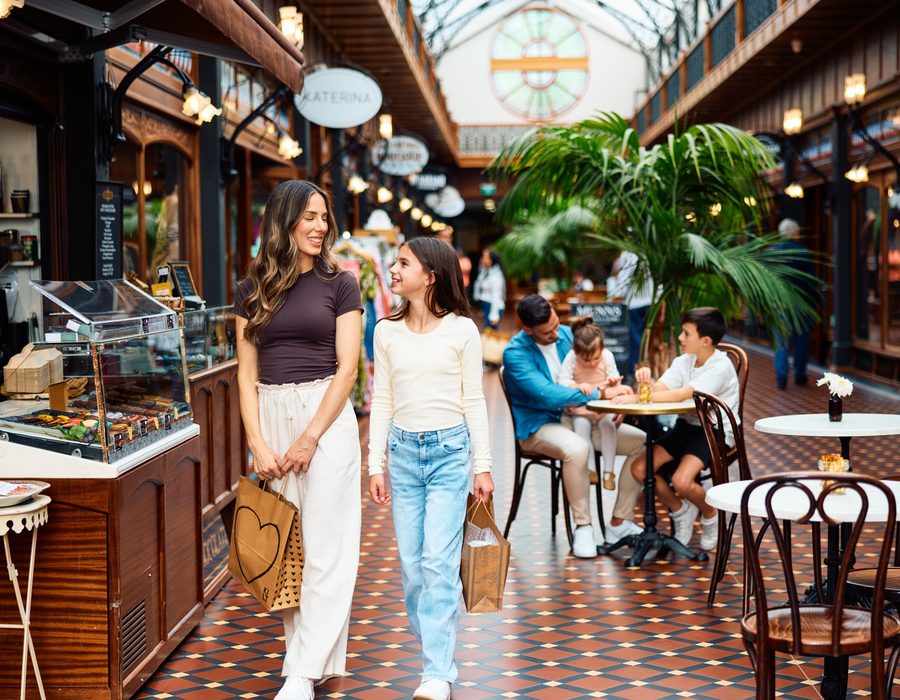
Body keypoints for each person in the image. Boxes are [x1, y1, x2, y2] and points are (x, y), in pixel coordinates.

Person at [234, 180, 363, 700]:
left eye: (324, 217)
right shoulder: (251, 289)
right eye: (309, 216)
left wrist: (310, 436)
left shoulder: (342, 283)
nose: (319, 226)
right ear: (284, 220)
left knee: (328, 548)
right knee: (290, 548)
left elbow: (349, 369)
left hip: (325, 417)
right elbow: (245, 376)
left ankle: (301, 671)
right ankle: (310, 661)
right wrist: (258, 443)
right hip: (270, 413)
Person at [367, 237, 494, 700]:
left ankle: (436, 671)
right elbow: (382, 397)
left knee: (438, 564)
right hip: (401, 456)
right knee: (411, 569)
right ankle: (439, 654)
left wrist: (482, 465)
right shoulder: (385, 331)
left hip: (448, 453)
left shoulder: (462, 330)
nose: (394, 270)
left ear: (430, 275)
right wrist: (375, 462)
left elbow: (474, 399)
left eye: (403, 263)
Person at [502, 295, 646, 558]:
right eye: (548, 332)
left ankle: (618, 522)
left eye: (557, 325)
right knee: (577, 449)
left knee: (643, 443)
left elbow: (603, 370)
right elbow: (548, 395)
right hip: (541, 425)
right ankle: (584, 527)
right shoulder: (515, 354)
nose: (557, 334)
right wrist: (601, 396)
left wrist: (615, 402)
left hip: (584, 417)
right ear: (527, 329)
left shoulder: (569, 335)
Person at [610, 307, 739, 551]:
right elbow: (662, 388)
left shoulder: (719, 367)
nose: (680, 338)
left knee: (681, 481)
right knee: (640, 469)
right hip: (687, 426)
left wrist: (637, 399)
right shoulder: (684, 360)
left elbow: (681, 394)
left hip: (714, 432)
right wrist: (646, 383)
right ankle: (681, 510)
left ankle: (709, 513)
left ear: (706, 341)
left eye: (686, 333)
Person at [558, 317, 633, 491]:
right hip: (581, 407)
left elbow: (613, 377)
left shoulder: (607, 356)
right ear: (577, 353)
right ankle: (591, 469)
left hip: (603, 404)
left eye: (595, 359)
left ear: (602, 349)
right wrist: (578, 385)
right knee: (581, 429)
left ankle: (609, 472)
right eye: (586, 360)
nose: (591, 364)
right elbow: (563, 380)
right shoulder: (571, 357)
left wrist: (612, 381)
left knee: (609, 425)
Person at [772, 218, 816, 390]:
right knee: (801, 341)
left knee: (781, 342)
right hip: (801, 304)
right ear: (795, 233)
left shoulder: (772, 252)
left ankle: (781, 378)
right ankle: (800, 375)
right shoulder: (803, 252)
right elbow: (810, 280)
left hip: (779, 304)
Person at [609, 250, 654, 373]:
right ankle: (645, 369)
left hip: (634, 304)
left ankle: (636, 372)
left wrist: (614, 296)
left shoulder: (628, 254)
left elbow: (624, 280)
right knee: (646, 339)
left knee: (635, 339)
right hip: (650, 302)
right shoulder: (648, 251)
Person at [473, 247, 506, 330]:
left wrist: (494, 315)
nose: (482, 259)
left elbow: (496, 296)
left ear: (491, 260)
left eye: (485, 257)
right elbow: (478, 282)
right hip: (487, 306)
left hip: (493, 306)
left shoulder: (495, 274)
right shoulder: (487, 271)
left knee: (491, 333)